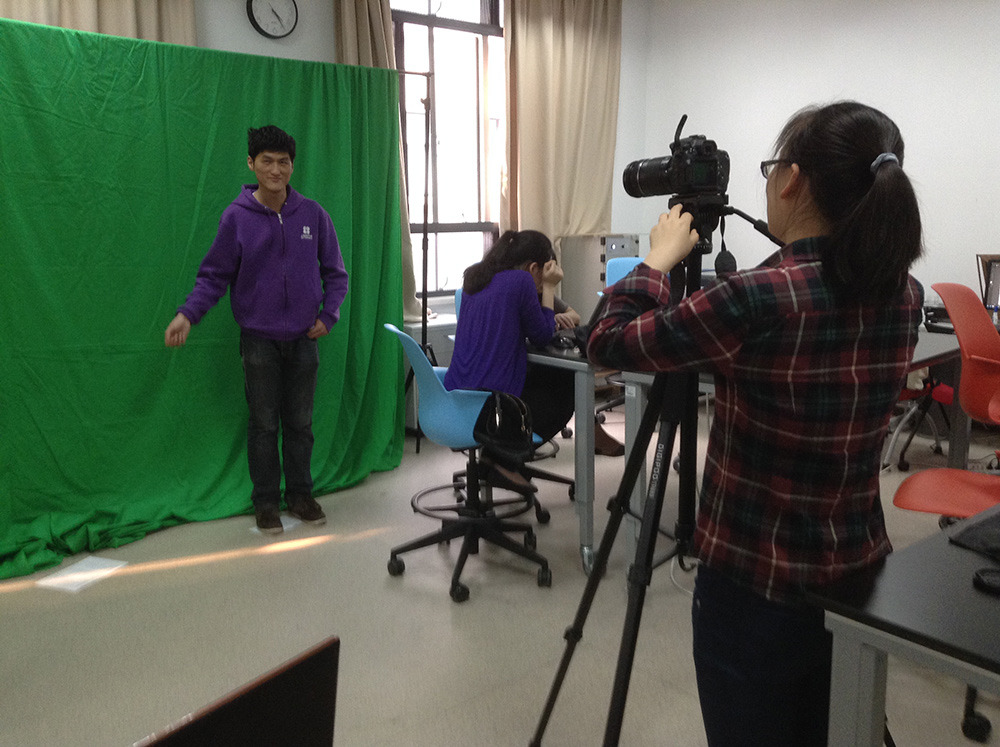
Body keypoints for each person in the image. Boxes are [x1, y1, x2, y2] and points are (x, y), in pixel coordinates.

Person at [587, 101, 924, 745]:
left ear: (793, 180)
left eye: (772, 169)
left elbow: (607, 342)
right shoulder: (903, 293)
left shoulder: (756, 298)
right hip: (857, 573)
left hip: (754, 587)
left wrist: (657, 262)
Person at [164, 125, 349, 535]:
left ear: (292, 166)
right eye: (267, 161)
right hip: (258, 341)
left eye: (284, 162)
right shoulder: (236, 218)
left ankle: (300, 495)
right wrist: (187, 315)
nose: (276, 169)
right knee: (263, 425)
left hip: (304, 339)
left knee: (300, 424)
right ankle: (265, 502)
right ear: (251, 164)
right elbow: (213, 276)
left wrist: (329, 314)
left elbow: (336, 274)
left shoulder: (313, 215)